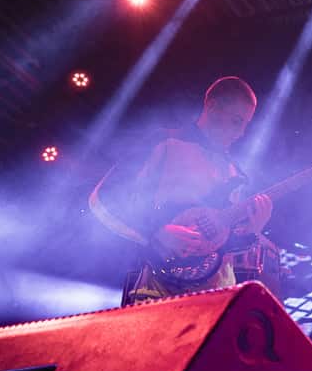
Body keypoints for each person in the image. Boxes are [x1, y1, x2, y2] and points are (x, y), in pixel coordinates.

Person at [90, 76, 274, 305]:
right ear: (212, 107)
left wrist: (251, 232)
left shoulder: (235, 173)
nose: (241, 133)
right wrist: (154, 234)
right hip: (156, 291)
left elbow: (221, 245)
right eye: (237, 121)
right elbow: (103, 200)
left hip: (216, 300)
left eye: (246, 124)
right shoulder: (164, 142)